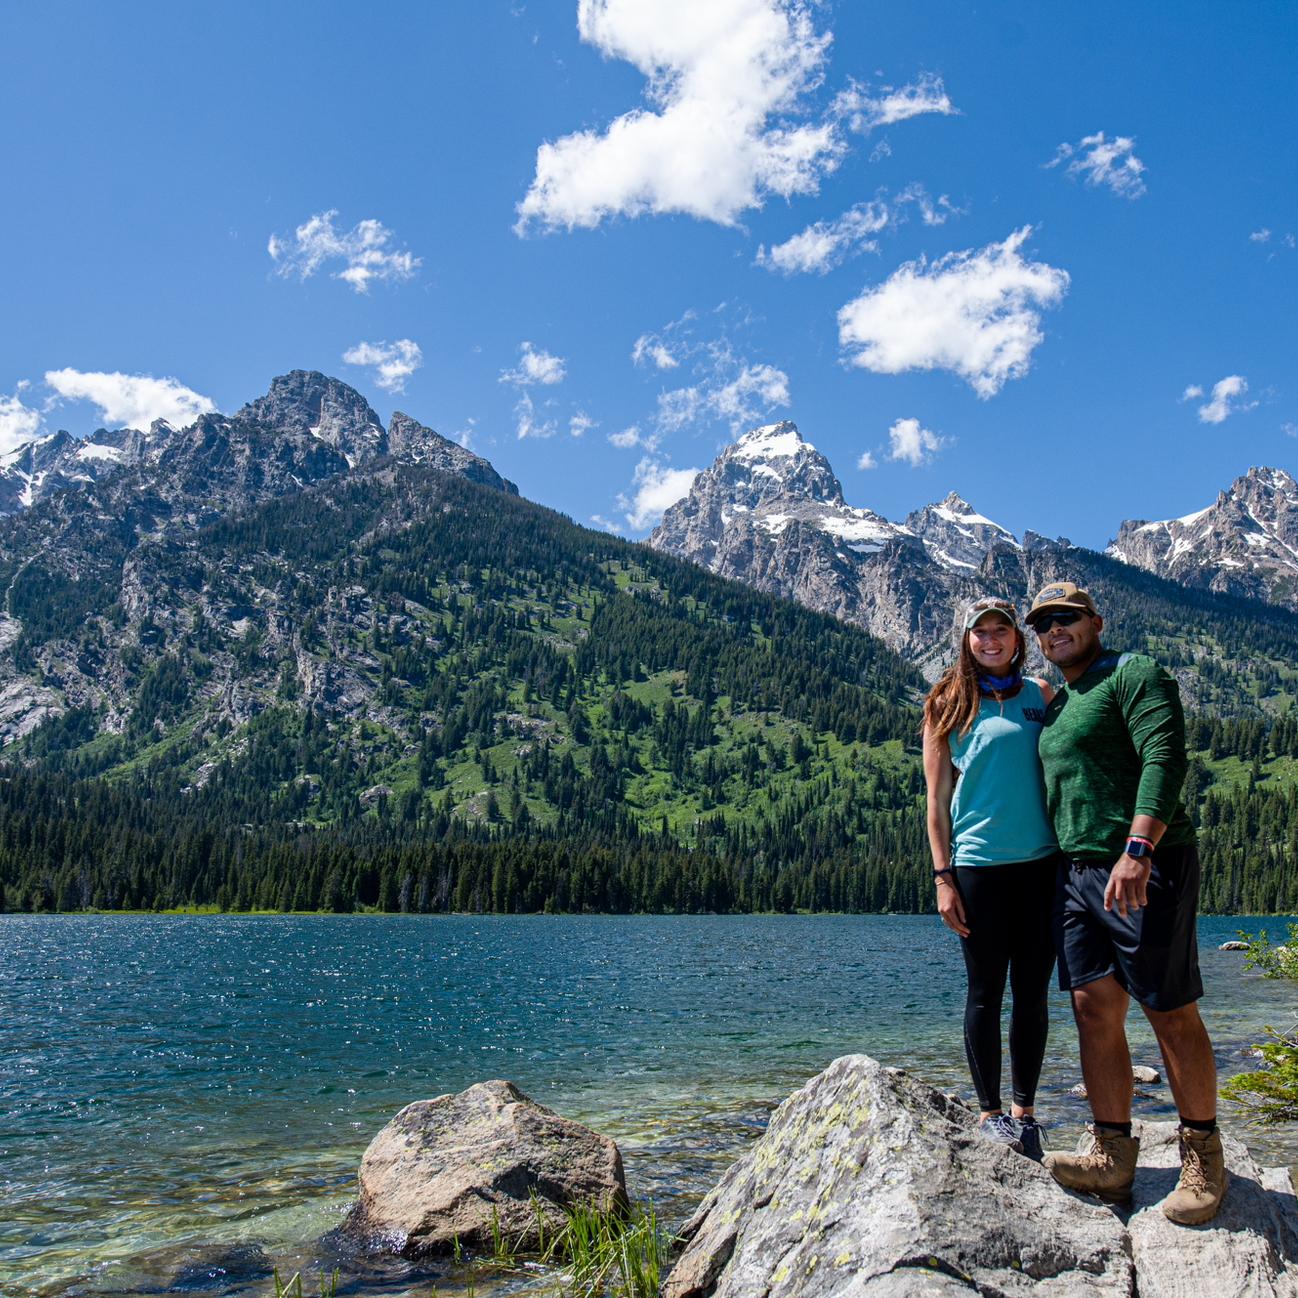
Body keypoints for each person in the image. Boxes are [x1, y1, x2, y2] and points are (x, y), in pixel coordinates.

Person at [1027, 581, 1226, 1225]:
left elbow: (1165, 757)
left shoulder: (1131, 673)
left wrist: (1138, 848)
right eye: (1043, 623)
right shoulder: (1058, 703)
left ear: (1096, 621)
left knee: (1167, 1008)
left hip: (1143, 865)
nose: (1054, 629)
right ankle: (1112, 1154)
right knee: (1092, 1007)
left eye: (1067, 617)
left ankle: (1203, 1155)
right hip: (1077, 873)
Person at [922, 596, 1059, 1160]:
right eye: (980, 633)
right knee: (984, 994)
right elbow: (935, 802)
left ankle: (1026, 1113)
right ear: (967, 641)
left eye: (1001, 630)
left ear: (1016, 639)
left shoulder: (1043, 696)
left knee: (1032, 994)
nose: (991, 640)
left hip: (1043, 867)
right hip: (977, 868)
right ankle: (991, 1113)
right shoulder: (947, 703)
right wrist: (942, 877)